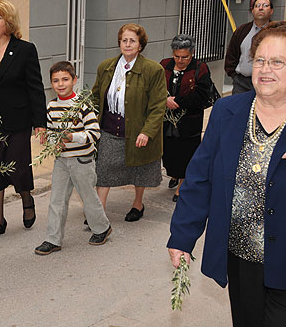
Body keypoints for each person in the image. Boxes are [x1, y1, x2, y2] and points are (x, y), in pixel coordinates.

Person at [168, 21, 286, 327]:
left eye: (277, 61)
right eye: (260, 60)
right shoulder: (227, 111)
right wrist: (182, 236)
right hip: (241, 257)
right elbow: (200, 178)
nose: (265, 69)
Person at [0, 0, 47, 239]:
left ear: (9, 22)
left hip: (18, 120)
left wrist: (40, 123)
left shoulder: (25, 49)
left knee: (18, 167)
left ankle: (26, 200)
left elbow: (35, 87)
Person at [34, 61, 111, 256]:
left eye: (65, 79)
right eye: (56, 80)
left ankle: (102, 228)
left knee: (88, 196)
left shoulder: (82, 106)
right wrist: (53, 140)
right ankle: (53, 239)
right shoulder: (51, 107)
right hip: (61, 160)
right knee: (57, 200)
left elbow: (94, 133)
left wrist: (72, 137)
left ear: (74, 80)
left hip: (82, 160)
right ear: (51, 83)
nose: (60, 84)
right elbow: (52, 132)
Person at [91, 23, 166, 221]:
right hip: (109, 128)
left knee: (139, 170)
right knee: (103, 170)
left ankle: (137, 204)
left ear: (141, 45)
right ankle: (98, 213)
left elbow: (158, 106)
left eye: (132, 40)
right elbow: (96, 98)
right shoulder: (106, 67)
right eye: (124, 40)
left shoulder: (153, 70)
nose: (128, 44)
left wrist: (147, 132)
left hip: (137, 130)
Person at [160, 34, 212, 202]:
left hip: (189, 119)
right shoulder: (164, 65)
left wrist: (177, 102)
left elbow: (202, 96)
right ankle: (174, 174)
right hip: (167, 120)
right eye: (177, 56)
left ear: (193, 53)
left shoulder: (200, 68)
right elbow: (155, 87)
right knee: (169, 151)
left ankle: (183, 183)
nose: (180, 60)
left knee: (187, 152)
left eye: (185, 57)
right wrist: (164, 100)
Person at [225, 0, 273, 94]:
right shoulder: (242, 31)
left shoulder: (276, 32)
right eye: (257, 6)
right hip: (242, 83)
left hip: (268, 82)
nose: (260, 8)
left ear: (271, 11)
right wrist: (234, 75)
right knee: (239, 108)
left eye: (265, 5)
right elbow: (232, 54)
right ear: (252, 10)